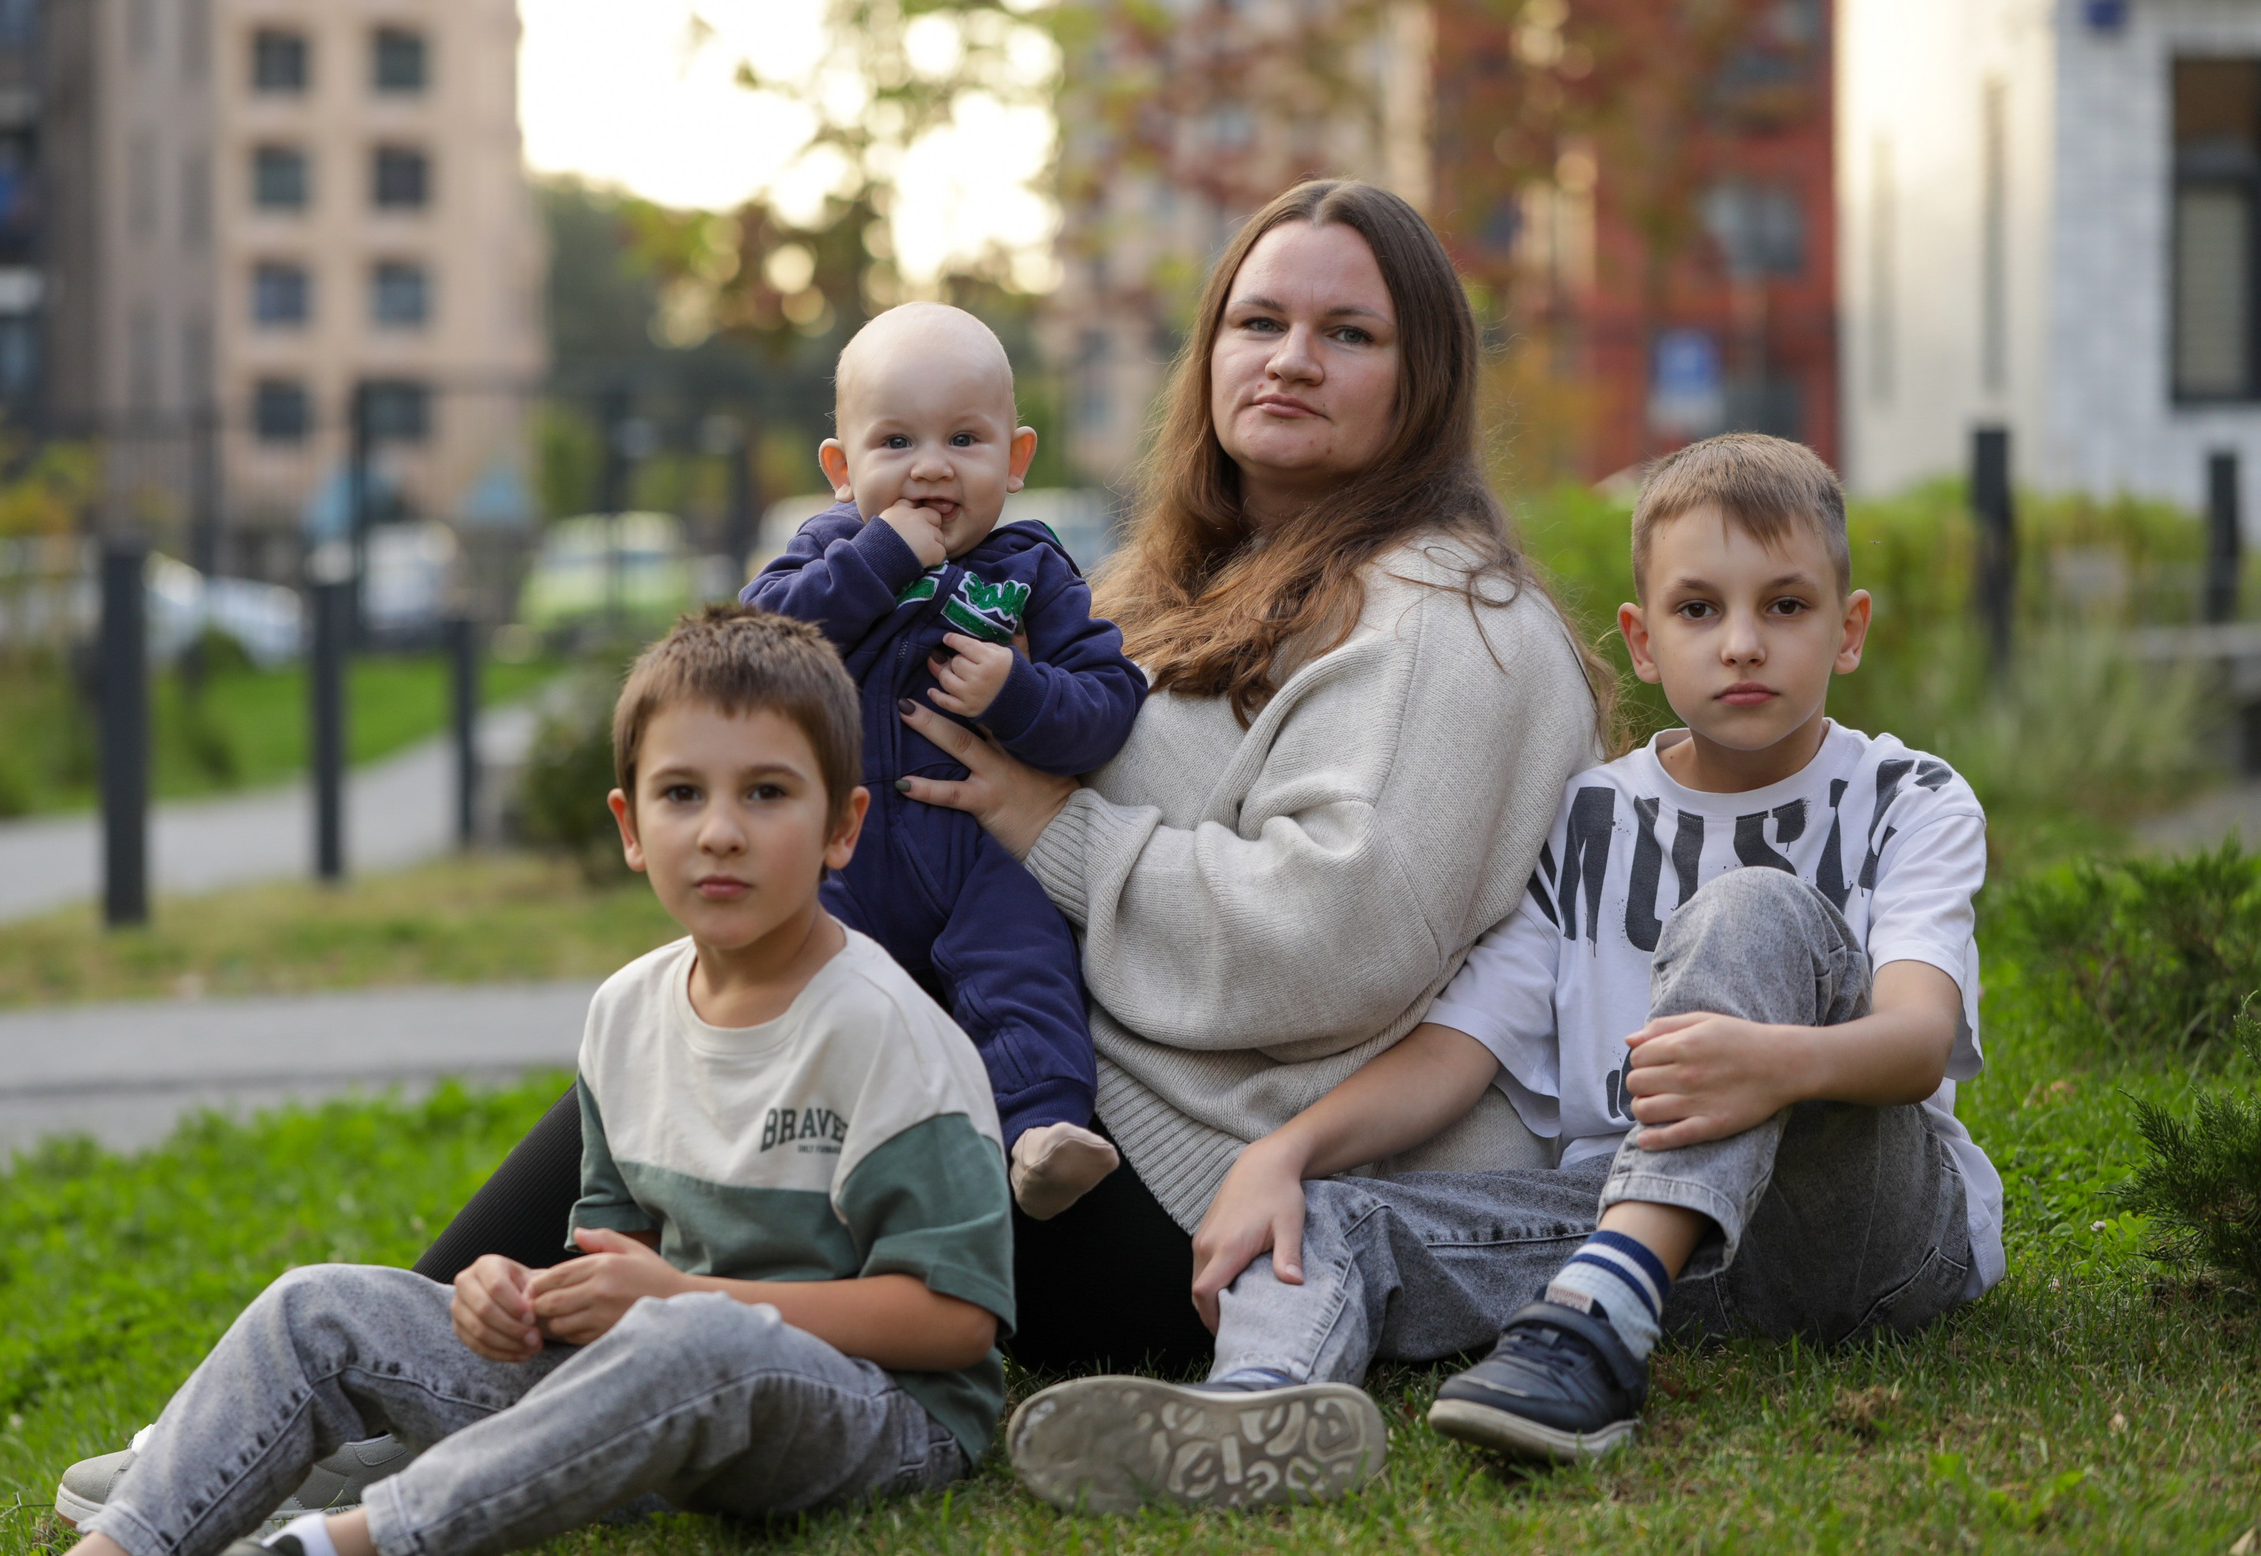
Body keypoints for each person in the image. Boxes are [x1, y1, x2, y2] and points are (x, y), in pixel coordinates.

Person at [383, 179, 1608, 1382]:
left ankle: (411, 1351)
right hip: (1045, 1076)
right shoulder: (1172, 578)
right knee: (691, 1025)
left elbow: (1331, 938)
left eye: (1348, 334)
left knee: (742, 1084)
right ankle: (420, 1346)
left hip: (1190, 1184)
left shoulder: (1446, 619)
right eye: (1258, 322)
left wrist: (1049, 828)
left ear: (1425, 376)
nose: (1290, 359)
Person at [1003, 433, 2005, 1513]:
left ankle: (1596, 1322)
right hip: (1636, 1236)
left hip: (1859, 1222)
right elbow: (1458, 1048)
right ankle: (1260, 1404)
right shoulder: (1593, 818)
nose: (1743, 645)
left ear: (1847, 631)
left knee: (1751, 907)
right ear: (1642, 641)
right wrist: (1282, 1154)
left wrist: (1771, 1066)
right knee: (1336, 1213)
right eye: (1699, 610)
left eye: (1786, 607)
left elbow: (1912, 1046)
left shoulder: (1908, 796)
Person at [62, 606, 1014, 1556]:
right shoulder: (627, 1011)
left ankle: (342, 1543)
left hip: (878, 1414)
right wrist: (518, 1298)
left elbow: (956, 1321)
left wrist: (681, 1299)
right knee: (313, 1308)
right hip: (658, 1400)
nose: (721, 831)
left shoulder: (882, 1030)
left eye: (767, 793)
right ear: (629, 825)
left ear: (842, 826)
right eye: (681, 793)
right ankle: (122, 1544)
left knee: (692, 1343)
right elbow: (618, 1257)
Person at [742, 301, 1148, 1223]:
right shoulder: (831, 551)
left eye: (964, 438)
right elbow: (759, 644)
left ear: (1015, 458)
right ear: (843, 470)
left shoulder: (1032, 570)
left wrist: (1019, 694)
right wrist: (880, 557)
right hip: (844, 855)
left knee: (1027, 965)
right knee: (817, 991)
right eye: (895, 440)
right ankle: (806, 1160)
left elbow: (1108, 700)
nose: (930, 465)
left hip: (977, 855)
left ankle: (1040, 1130)